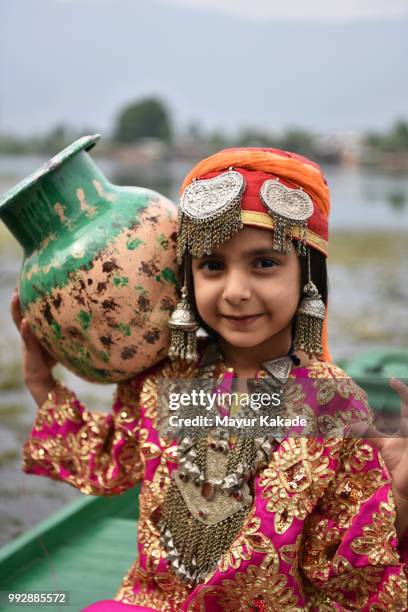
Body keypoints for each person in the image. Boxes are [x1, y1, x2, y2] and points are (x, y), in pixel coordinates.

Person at [12, 147, 408, 611]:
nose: (236, 292)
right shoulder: (164, 377)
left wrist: (399, 502)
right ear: (187, 276)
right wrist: (43, 385)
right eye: (212, 266)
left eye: (264, 263)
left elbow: (341, 567)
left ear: (308, 273)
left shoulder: (332, 403)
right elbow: (111, 459)